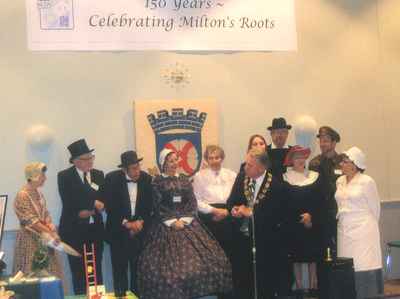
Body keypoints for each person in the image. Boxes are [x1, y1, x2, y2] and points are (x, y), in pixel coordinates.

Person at [137, 148, 232, 299]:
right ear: (164, 163)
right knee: (166, 271)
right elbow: (156, 205)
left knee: (210, 261)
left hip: (188, 224)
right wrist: (172, 221)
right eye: (171, 161)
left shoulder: (184, 179)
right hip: (165, 226)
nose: (175, 163)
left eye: (176, 160)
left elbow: (192, 202)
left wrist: (185, 219)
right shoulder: (157, 181)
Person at [227, 148, 290, 299]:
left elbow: (277, 216)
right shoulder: (242, 177)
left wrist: (252, 212)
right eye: (246, 164)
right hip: (242, 241)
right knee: (243, 282)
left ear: (262, 168)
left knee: (264, 284)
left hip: (266, 243)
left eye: (249, 165)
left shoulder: (276, 185)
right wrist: (234, 209)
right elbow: (230, 202)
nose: (245, 168)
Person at [102, 150, 153, 297]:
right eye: (133, 168)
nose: (137, 171)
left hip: (140, 232)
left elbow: (150, 205)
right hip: (118, 232)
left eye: (138, 166)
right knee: (119, 271)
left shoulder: (147, 179)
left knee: (138, 271)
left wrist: (140, 222)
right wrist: (127, 224)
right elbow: (110, 205)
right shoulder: (112, 179)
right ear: (124, 169)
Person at [58, 139, 105, 295]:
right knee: (78, 272)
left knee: (96, 270)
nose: (90, 161)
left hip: (95, 230)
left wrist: (91, 209)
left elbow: (104, 198)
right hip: (74, 231)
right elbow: (70, 200)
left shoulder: (98, 175)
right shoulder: (64, 176)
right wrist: (93, 204)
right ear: (76, 161)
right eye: (86, 159)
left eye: (91, 157)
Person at [335, 147, 383, 299]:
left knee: (363, 267)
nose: (341, 164)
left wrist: (364, 226)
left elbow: (376, 209)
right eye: (342, 161)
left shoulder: (367, 181)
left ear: (354, 165)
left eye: (345, 161)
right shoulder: (340, 181)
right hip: (344, 230)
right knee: (347, 268)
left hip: (363, 232)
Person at [282, 146, 324, 295]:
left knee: (313, 257)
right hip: (293, 225)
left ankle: (314, 289)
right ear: (291, 160)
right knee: (296, 257)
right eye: (296, 157)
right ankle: (299, 289)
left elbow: (321, 201)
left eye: (302, 157)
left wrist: (311, 217)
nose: (300, 160)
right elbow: (284, 204)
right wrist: (298, 218)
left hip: (313, 224)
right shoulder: (284, 179)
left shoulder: (316, 176)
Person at [13, 162, 63, 279]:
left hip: (43, 238)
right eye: (42, 176)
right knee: (31, 273)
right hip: (29, 240)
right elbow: (32, 222)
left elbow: (45, 214)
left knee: (50, 274)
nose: (45, 178)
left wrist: (51, 228)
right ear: (33, 177)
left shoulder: (38, 193)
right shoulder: (22, 195)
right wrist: (50, 233)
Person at [193, 145, 236, 262]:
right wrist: (214, 211)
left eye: (217, 157)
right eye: (210, 158)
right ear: (206, 160)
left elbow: (236, 198)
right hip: (209, 217)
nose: (214, 161)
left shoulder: (232, 175)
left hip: (228, 216)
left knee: (230, 252)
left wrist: (226, 211)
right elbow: (196, 201)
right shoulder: (199, 176)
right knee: (211, 254)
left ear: (222, 158)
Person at [309, 126, 342, 256]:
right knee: (322, 254)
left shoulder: (342, 162)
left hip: (338, 213)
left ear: (334, 143)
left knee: (339, 252)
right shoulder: (314, 163)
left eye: (326, 140)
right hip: (320, 214)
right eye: (321, 140)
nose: (322, 144)